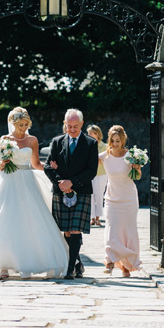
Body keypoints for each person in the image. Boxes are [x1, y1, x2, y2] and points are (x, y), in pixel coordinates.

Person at [0, 107, 69, 280]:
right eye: (20, 124)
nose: (23, 127)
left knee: (30, 220)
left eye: (25, 124)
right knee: (5, 221)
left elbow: (36, 163)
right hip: (8, 181)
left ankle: (27, 264)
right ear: (13, 123)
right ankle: (3, 265)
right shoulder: (5, 140)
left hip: (27, 182)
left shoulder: (32, 140)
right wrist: (3, 163)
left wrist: (52, 171)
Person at [44, 109, 99, 279]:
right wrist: (61, 182)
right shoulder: (57, 142)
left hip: (81, 191)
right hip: (61, 191)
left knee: (75, 230)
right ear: (65, 124)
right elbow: (47, 167)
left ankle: (69, 269)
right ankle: (77, 263)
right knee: (66, 231)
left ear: (82, 124)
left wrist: (72, 183)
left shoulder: (91, 143)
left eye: (75, 126)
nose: (72, 130)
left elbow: (92, 171)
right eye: (69, 126)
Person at [99, 125, 143, 277]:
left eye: (118, 140)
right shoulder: (104, 156)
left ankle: (126, 266)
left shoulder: (130, 155)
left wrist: (136, 168)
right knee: (111, 231)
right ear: (109, 140)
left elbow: (137, 177)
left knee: (127, 233)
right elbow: (88, 165)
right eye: (112, 140)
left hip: (128, 199)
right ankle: (110, 261)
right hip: (111, 199)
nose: (115, 143)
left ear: (123, 140)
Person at [87, 125, 107, 227]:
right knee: (90, 196)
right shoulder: (87, 145)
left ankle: (98, 218)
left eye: (91, 133)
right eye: (88, 133)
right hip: (89, 175)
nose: (89, 135)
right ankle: (92, 218)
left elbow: (103, 161)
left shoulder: (104, 146)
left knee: (99, 196)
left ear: (97, 134)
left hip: (101, 174)